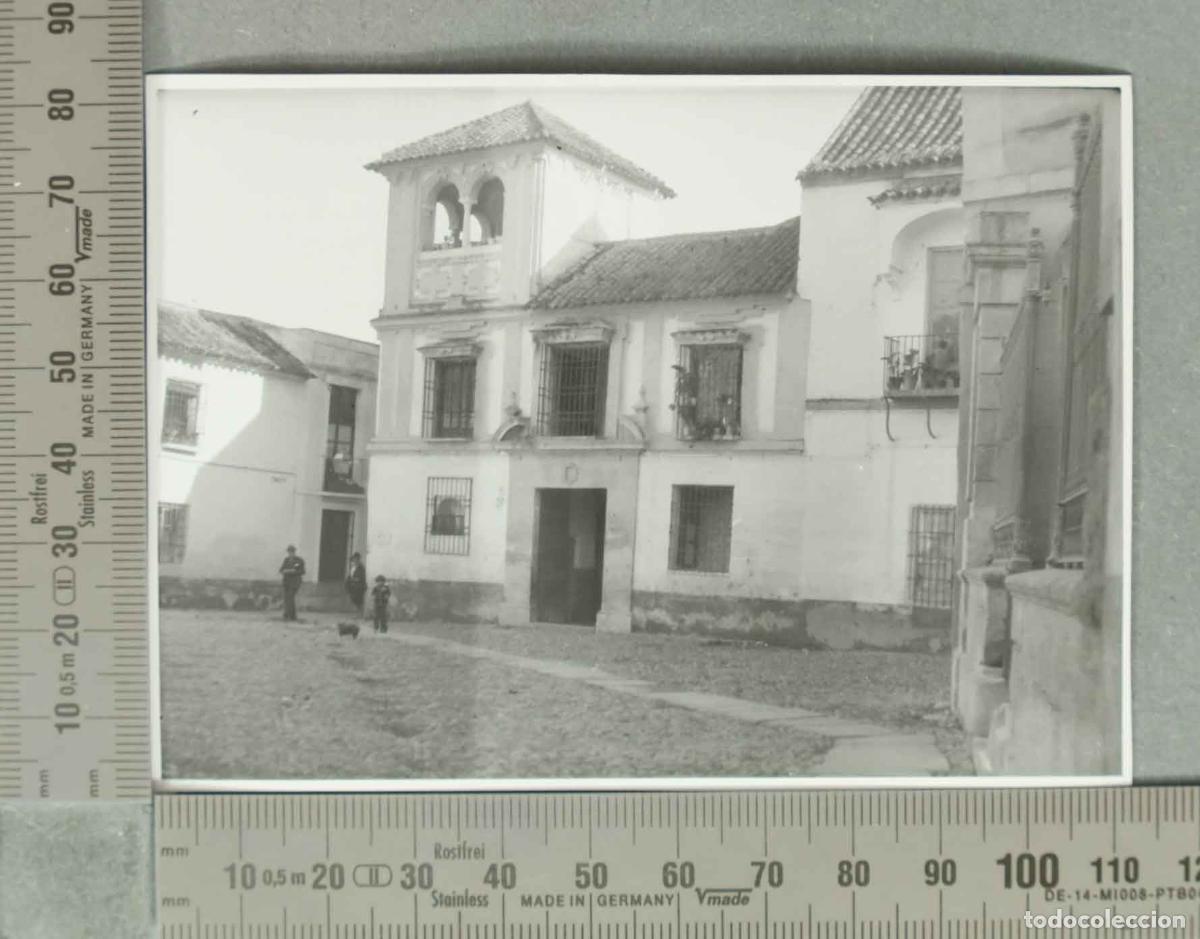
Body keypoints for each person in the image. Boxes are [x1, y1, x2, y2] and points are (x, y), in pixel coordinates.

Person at [279, 544, 306, 621]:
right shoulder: (286, 560)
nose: (291, 553)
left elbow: (302, 571)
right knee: (287, 598)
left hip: (295, 582)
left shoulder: (299, 560)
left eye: (292, 552)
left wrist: (293, 571)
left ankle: (289, 615)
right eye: (289, 552)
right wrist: (285, 571)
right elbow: (281, 569)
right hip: (286, 582)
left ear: (294, 552)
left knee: (290, 597)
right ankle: (290, 615)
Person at [344, 552, 367, 617]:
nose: (355, 561)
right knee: (354, 599)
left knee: (358, 600)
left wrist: (354, 579)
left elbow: (361, 577)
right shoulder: (353, 568)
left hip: (359, 586)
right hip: (352, 586)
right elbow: (350, 576)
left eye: (356, 559)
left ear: (358, 559)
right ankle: (358, 613)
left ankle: (360, 613)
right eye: (354, 560)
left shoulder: (361, 568)